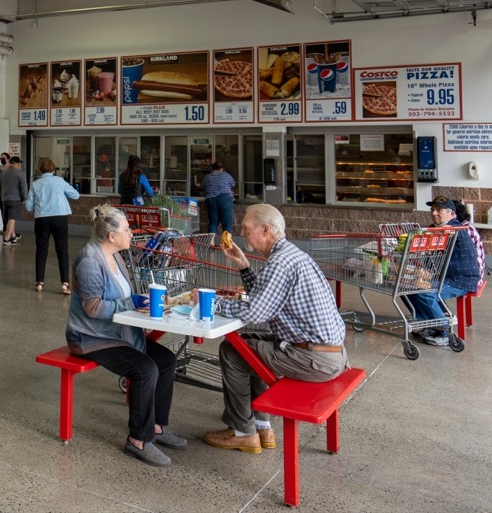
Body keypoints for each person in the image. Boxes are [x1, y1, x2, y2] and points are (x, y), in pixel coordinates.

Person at [199, 204, 347, 454]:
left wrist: (209, 301)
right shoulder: (291, 254)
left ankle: (243, 433)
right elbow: (266, 298)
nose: (242, 234)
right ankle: (261, 426)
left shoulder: (280, 262)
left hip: (315, 359)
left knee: (233, 351)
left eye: (246, 229)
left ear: (265, 229)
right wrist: (244, 266)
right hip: (330, 354)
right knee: (247, 345)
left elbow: (255, 311)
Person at [67, 204, 185, 467]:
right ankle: (138, 441)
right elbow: (93, 307)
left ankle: (156, 427)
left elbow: (123, 298)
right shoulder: (89, 261)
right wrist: (132, 303)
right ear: (111, 236)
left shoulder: (117, 256)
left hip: (119, 331)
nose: (132, 234)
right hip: (91, 337)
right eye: (128, 229)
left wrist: (140, 302)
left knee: (165, 361)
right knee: (145, 370)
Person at [402, 197, 482, 347]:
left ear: (451, 214)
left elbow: (433, 254)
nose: (434, 213)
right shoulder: (443, 228)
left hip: (461, 280)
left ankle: (443, 330)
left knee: (423, 290)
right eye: (432, 209)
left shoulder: (452, 229)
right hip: (447, 276)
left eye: (439, 210)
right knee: (404, 288)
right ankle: (428, 324)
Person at [26, 157, 79, 294]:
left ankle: (39, 283)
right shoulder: (59, 181)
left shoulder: (35, 184)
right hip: (60, 218)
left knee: (41, 250)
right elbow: (76, 195)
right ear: (53, 170)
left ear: (40, 170)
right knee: (62, 250)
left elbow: (28, 206)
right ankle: (65, 284)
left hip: (42, 219)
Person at [201, 161, 237, 235]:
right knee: (227, 224)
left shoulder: (207, 177)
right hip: (225, 199)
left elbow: (203, 189)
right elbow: (233, 185)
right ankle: (226, 245)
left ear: (212, 169)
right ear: (221, 169)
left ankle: (211, 244)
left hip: (211, 200)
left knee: (213, 223)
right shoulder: (226, 175)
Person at [0, 156, 27, 245]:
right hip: (15, 199)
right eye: (19, 163)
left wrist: (3, 196)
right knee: (12, 219)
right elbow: (24, 188)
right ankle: (6, 238)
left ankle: (13, 236)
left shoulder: (3, 174)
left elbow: (0, 188)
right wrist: (25, 198)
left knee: (10, 218)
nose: (19, 165)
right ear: (17, 164)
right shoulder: (21, 174)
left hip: (5, 199)